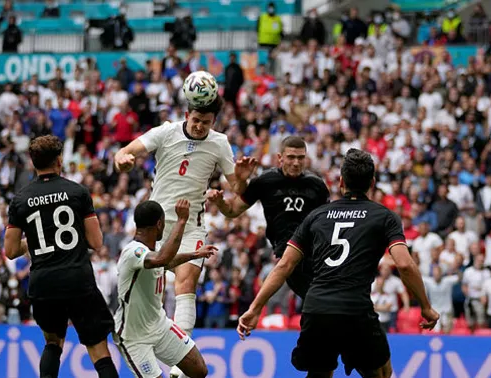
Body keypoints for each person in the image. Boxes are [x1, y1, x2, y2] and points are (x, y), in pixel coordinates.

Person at [237, 149, 439, 378]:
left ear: (341, 181)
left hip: (317, 308)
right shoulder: (385, 216)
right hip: (355, 308)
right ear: (372, 182)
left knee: (320, 374)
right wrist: (425, 306)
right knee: (381, 374)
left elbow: (284, 266)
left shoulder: (316, 216)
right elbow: (404, 264)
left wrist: (255, 309)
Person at [114, 94, 257, 378]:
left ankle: (179, 369)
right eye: (196, 120)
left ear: (214, 121)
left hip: (190, 223)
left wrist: (241, 178)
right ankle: (135, 336)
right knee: (144, 289)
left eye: (206, 122)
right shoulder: (165, 132)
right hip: (156, 227)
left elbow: (238, 191)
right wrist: (124, 161)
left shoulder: (219, 143)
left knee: (186, 281)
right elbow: (123, 153)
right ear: (187, 114)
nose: (201, 126)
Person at [4, 136, 118, 378]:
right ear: (59, 160)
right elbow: (97, 242)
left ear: (33, 163)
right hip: (77, 278)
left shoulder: (20, 200)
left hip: (43, 282)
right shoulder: (77, 192)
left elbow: (11, 251)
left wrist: (32, 243)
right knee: (98, 349)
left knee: (52, 343)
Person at [206, 135, 329, 297]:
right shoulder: (265, 181)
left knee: (318, 301)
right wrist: (220, 201)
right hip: (286, 253)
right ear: (280, 158)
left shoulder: (317, 185)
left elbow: (328, 223)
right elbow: (232, 210)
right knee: (317, 300)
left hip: (314, 253)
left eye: (301, 158)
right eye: (291, 157)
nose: (296, 163)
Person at [114, 199, 217, 378]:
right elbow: (161, 259)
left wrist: (194, 254)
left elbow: (167, 260)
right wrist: (181, 221)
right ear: (159, 224)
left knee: (199, 370)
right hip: (134, 337)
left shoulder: (155, 249)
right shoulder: (133, 252)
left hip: (160, 326)